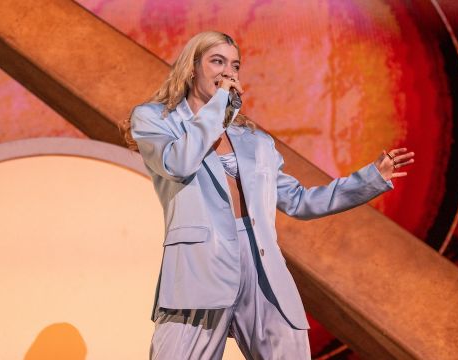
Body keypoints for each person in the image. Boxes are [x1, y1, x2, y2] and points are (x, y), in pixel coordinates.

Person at [122, 31, 414, 360]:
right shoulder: (155, 120)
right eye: (217, 61)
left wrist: (370, 178)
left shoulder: (255, 141)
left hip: (262, 269)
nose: (228, 72)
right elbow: (178, 163)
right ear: (192, 68)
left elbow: (301, 202)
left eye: (235, 65)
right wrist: (219, 105)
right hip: (198, 267)